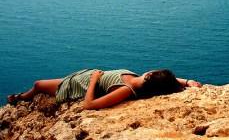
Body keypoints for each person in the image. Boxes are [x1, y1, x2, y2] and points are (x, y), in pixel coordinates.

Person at [7, 69, 202, 110]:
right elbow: (167, 81)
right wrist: (186, 82)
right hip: (83, 76)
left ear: (149, 76)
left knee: (39, 84)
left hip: (80, 85)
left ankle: (20, 99)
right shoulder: (141, 80)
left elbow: (89, 105)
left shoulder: (126, 90)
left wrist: (94, 80)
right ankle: (22, 97)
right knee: (40, 83)